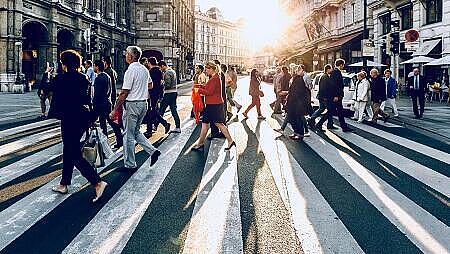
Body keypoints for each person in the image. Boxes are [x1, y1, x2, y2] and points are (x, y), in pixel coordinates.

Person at [48, 50, 107, 202]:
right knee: (69, 149)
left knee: (73, 153)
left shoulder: (60, 78)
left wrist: (47, 74)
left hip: (69, 118)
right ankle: (63, 183)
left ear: (64, 63)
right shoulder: (84, 78)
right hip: (82, 118)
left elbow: (46, 89)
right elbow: (88, 100)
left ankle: (97, 182)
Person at [110, 46, 161, 170]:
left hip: (132, 104)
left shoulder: (130, 71)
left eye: (126, 54)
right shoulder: (144, 69)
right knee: (136, 131)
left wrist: (114, 109)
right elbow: (150, 85)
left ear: (130, 56)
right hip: (143, 104)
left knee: (128, 135)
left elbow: (124, 93)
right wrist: (140, 88)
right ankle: (153, 151)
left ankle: (130, 164)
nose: (125, 55)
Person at [191, 61, 235, 151]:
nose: (206, 71)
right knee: (205, 123)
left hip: (214, 105)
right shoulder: (214, 77)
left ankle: (230, 141)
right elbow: (208, 88)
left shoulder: (215, 78)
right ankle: (200, 143)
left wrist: (199, 90)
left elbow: (209, 92)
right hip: (212, 104)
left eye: (207, 69)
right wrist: (199, 86)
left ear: (211, 69)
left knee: (218, 123)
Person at [276, 65, 312, 140]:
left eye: (293, 70)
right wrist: (287, 94)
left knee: (298, 119)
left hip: (297, 103)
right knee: (293, 119)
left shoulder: (299, 79)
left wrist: (288, 95)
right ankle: (296, 132)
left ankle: (300, 134)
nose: (291, 72)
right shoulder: (296, 79)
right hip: (293, 102)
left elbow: (298, 92)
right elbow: (293, 91)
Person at [92, 60, 123, 148]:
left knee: (103, 123)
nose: (94, 68)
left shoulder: (98, 78)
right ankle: (118, 139)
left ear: (97, 67)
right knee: (109, 122)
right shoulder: (107, 76)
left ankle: (105, 143)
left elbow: (97, 94)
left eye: (94, 66)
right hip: (107, 102)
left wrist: (94, 104)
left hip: (100, 104)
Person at [144, 57, 166, 137]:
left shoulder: (152, 72)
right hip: (156, 94)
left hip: (152, 94)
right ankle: (150, 129)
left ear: (150, 63)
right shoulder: (159, 71)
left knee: (151, 111)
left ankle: (164, 124)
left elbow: (150, 84)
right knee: (151, 111)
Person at [158, 60, 181, 133]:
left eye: (160, 68)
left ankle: (156, 125)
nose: (160, 69)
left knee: (161, 110)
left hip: (168, 93)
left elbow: (168, 85)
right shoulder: (173, 71)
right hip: (174, 93)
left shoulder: (167, 73)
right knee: (174, 110)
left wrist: (162, 83)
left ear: (163, 66)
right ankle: (178, 127)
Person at [308, 64, 333, 129]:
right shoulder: (325, 77)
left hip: (322, 96)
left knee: (324, 109)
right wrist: (324, 97)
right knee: (323, 109)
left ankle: (328, 123)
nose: (332, 70)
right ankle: (311, 119)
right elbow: (323, 88)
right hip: (323, 97)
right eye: (331, 69)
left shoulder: (325, 76)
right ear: (328, 69)